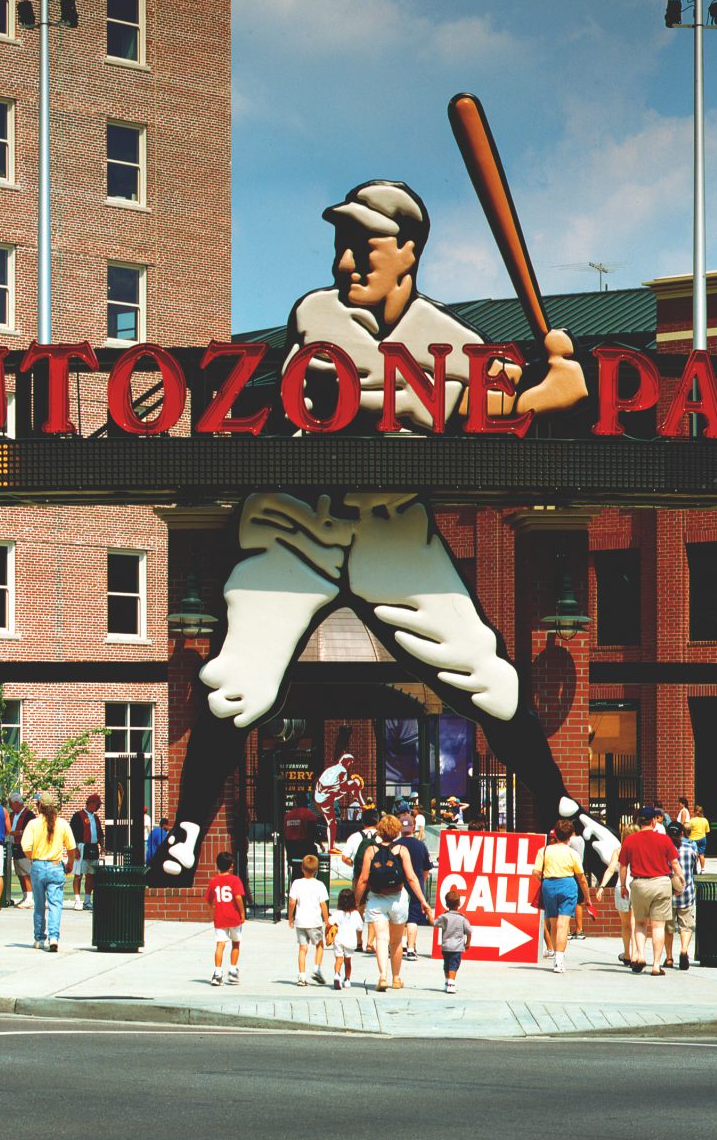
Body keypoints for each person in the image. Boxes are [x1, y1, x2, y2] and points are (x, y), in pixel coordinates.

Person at [164, 178, 590, 885]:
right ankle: (182, 831)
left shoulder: (451, 337)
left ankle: (564, 813)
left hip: (391, 524)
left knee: (487, 675)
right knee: (239, 683)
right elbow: (374, 394)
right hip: (301, 518)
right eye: (342, 244)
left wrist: (553, 393)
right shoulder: (320, 312)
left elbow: (483, 392)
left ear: (409, 252)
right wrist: (519, 398)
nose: (346, 262)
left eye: (364, 245)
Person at [354, 813, 433, 992]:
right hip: (398, 898)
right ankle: (396, 978)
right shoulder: (401, 850)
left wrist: (356, 901)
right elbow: (412, 878)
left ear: (380, 831)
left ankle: (382, 976)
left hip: (376, 898)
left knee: (381, 938)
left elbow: (363, 879)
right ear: (397, 831)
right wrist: (423, 901)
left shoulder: (371, 851)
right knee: (396, 941)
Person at [618, 813, 682, 975]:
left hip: (639, 884)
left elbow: (623, 866)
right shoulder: (664, 839)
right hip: (661, 883)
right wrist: (681, 880)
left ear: (639, 822)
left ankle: (639, 956)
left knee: (640, 923)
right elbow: (674, 863)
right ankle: (655, 966)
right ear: (654, 821)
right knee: (658, 925)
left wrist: (624, 885)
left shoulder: (630, 840)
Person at [534, 815, 595, 974]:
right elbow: (581, 878)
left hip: (548, 885)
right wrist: (587, 898)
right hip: (568, 884)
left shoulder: (544, 850)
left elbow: (536, 872)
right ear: (569, 836)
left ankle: (555, 954)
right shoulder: (572, 853)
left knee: (554, 924)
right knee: (563, 924)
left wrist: (545, 878)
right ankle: (559, 960)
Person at [22, 790, 77, 951]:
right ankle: (54, 937)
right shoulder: (62, 823)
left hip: (38, 865)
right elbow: (72, 847)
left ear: (39, 806)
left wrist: (33, 857)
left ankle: (39, 938)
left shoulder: (33, 824)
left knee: (39, 904)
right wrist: (70, 863)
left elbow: (25, 846)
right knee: (55, 904)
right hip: (55, 865)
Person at [287, 852, 331, 986]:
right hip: (315, 922)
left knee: (302, 948)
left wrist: (290, 917)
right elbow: (323, 904)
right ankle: (316, 968)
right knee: (319, 945)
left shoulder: (296, 883)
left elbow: (292, 902)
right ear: (316, 870)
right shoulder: (320, 885)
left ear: (302, 868)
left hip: (300, 921)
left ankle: (301, 976)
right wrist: (327, 920)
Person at [206, 850, 247, 985]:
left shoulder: (214, 881)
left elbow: (209, 900)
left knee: (220, 944)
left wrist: (213, 910)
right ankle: (233, 971)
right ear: (231, 866)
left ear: (217, 865)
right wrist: (242, 912)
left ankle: (217, 973)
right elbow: (238, 897)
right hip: (234, 916)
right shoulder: (235, 880)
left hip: (220, 917)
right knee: (235, 943)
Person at [608, 813, 642, 969]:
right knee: (636, 922)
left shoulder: (619, 850)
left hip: (621, 886)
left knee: (625, 924)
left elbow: (611, 869)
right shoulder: (642, 849)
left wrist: (601, 886)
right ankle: (636, 954)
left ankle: (627, 953)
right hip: (637, 884)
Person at [399, 813, 433, 964]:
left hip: (399, 885)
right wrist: (421, 882)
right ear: (413, 827)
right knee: (412, 918)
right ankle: (411, 949)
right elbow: (427, 868)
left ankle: (399, 945)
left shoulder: (396, 845)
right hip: (416, 886)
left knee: (399, 918)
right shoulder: (421, 845)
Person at [666, 816, 700, 970]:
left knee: (668, 928)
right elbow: (694, 869)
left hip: (667, 895)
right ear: (682, 834)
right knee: (686, 927)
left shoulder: (664, 851)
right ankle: (684, 950)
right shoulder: (691, 849)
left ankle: (668, 958)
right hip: (687, 893)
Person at [70, 793, 105, 909]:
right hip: (82, 847)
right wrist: (75, 849)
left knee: (91, 875)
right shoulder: (78, 816)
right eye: (97, 805)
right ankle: (77, 900)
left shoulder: (96, 818)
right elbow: (72, 834)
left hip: (93, 847)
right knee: (78, 874)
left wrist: (102, 846)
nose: (98, 807)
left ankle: (87, 901)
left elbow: (100, 834)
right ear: (90, 804)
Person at [438, 888, 472, 994]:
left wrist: (429, 913)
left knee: (446, 965)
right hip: (457, 947)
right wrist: (468, 943)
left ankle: (447, 982)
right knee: (454, 965)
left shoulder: (444, 917)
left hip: (445, 946)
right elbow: (469, 931)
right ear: (459, 904)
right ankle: (451, 984)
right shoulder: (462, 918)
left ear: (446, 904)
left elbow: (434, 923)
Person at [330, 889, 362, 990]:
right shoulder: (356, 914)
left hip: (338, 939)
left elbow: (329, 923)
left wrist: (328, 933)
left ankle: (337, 974)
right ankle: (347, 979)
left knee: (338, 959)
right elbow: (360, 928)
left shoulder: (337, 913)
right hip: (350, 940)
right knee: (348, 961)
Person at [8, 796, 34, 909]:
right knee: (19, 873)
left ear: (18, 803)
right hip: (14, 846)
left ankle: (29, 898)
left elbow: (31, 830)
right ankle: (24, 896)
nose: (10, 806)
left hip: (24, 846)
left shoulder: (29, 815)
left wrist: (17, 832)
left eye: (11, 804)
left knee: (26, 873)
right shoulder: (12, 815)